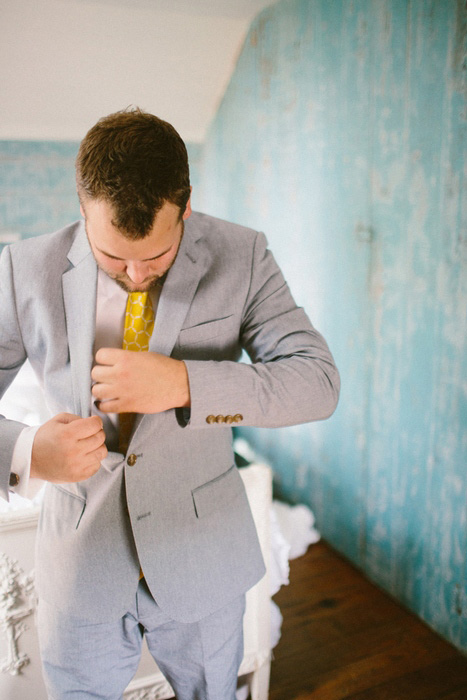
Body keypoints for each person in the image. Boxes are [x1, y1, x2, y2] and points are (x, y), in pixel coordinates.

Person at [0, 108, 340, 700]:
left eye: (154, 258)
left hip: (203, 558)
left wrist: (185, 383)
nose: (134, 276)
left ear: (185, 205)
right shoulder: (23, 269)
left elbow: (317, 382)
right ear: (82, 209)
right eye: (112, 258)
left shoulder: (245, 255)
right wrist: (28, 452)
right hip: (82, 568)